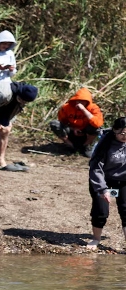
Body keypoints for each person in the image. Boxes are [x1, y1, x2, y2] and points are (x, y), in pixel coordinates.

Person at [87, 118, 126, 249]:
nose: (125, 136)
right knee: (101, 211)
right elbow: (96, 168)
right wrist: (103, 189)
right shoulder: (105, 143)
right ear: (115, 130)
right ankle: (96, 239)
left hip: (122, 182)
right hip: (103, 182)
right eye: (123, 133)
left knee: (125, 209)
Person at [50, 87, 104, 157]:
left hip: (86, 133)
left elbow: (97, 124)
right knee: (55, 124)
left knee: (96, 128)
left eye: (82, 101)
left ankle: (86, 146)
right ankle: (70, 145)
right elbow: (63, 122)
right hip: (72, 132)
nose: (79, 103)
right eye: (77, 100)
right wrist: (73, 128)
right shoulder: (66, 108)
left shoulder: (93, 108)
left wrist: (84, 110)